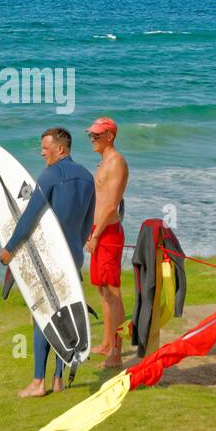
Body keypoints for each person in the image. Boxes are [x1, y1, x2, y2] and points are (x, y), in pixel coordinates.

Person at [0, 127, 95, 398]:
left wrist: (9, 249)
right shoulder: (88, 178)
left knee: (43, 315)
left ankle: (38, 382)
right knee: (63, 312)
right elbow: (87, 224)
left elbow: (29, 217)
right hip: (74, 255)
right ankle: (58, 379)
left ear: (60, 149)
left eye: (45, 148)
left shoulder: (51, 175)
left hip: (51, 257)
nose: (42, 152)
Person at [85, 117, 130, 369]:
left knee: (113, 293)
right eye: (91, 135)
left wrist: (96, 235)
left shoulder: (116, 162)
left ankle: (116, 352)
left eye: (97, 135)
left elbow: (111, 204)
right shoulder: (103, 162)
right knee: (102, 290)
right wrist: (88, 229)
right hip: (98, 230)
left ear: (110, 136)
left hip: (108, 232)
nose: (92, 139)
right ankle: (105, 344)